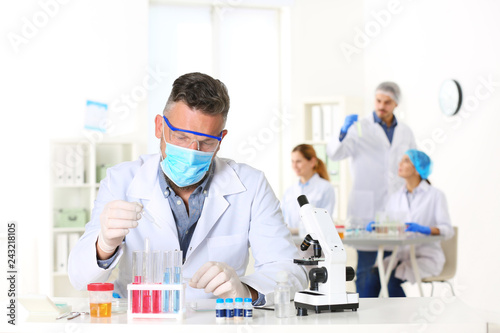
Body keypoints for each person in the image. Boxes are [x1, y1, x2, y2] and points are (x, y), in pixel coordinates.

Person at [68, 72, 307, 305]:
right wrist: (104, 246)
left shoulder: (251, 186)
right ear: (159, 126)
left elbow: (289, 270)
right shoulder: (120, 181)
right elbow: (79, 277)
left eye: (205, 142)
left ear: (221, 139)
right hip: (142, 321)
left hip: (215, 322)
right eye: (181, 137)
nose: (192, 153)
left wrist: (246, 290)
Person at [326, 82, 416, 297]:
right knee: (367, 267)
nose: (381, 106)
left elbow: (412, 163)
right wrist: (342, 132)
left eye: (387, 102)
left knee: (392, 269)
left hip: (394, 207)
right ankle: (365, 315)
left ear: (395, 103)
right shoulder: (360, 127)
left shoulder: (405, 131)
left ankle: (394, 319)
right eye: (378, 100)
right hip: (365, 207)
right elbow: (335, 154)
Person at [363, 150, 454, 297]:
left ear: (418, 168)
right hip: (400, 255)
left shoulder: (435, 195)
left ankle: (405, 319)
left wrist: (426, 230)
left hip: (426, 257)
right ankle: (369, 319)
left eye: (406, 161)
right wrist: (377, 226)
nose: (400, 164)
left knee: (391, 281)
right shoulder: (395, 197)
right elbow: (391, 226)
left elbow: (448, 230)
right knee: (372, 277)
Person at [281, 144, 335, 238]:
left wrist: (295, 231)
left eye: (298, 161)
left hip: (314, 246)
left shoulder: (325, 188)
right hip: (292, 246)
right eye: (292, 161)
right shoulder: (289, 191)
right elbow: (282, 219)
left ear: (312, 162)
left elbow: (325, 223)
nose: (294, 166)